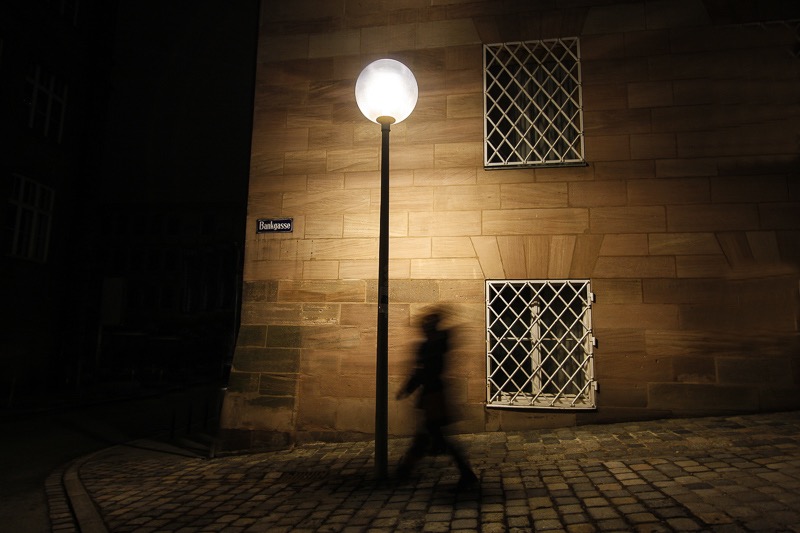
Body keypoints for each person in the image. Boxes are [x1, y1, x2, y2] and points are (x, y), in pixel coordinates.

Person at [395, 312, 478, 489]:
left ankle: (404, 472)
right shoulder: (439, 344)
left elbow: (421, 371)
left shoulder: (429, 346)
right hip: (434, 394)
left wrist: (407, 389)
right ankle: (404, 471)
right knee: (430, 436)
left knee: (432, 436)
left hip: (433, 396)